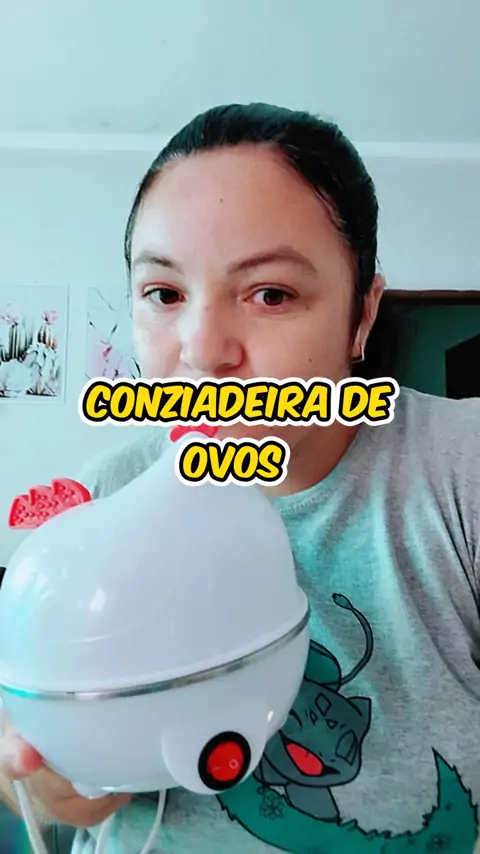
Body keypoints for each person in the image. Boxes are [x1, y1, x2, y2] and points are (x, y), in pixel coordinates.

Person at [1, 102, 480, 854]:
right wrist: (47, 775)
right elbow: (44, 781)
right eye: (164, 294)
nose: (202, 351)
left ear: (362, 315)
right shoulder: (108, 492)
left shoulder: (458, 471)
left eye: (271, 294)